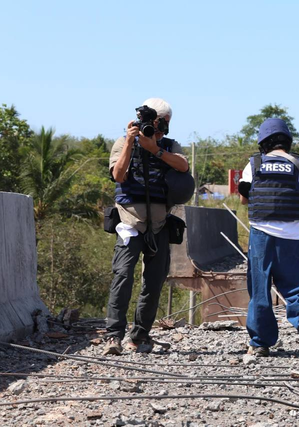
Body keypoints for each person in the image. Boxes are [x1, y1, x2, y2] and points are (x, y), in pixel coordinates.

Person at [103, 98, 189, 355]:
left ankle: (139, 336)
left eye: (166, 124)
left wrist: (155, 149)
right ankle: (113, 336)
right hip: (130, 222)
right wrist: (132, 143)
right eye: (158, 123)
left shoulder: (169, 146)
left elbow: (184, 166)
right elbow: (118, 175)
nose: (161, 128)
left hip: (159, 225)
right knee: (123, 276)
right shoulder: (123, 142)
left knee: (154, 281)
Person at [238, 118, 299, 357]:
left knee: (260, 289)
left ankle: (260, 342)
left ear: (263, 142)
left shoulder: (254, 164)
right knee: (297, 285)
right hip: (292, 237)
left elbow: (244, 200)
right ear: (287, 140)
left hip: (261, 236)